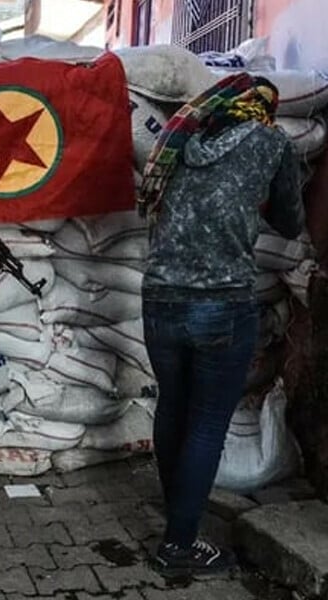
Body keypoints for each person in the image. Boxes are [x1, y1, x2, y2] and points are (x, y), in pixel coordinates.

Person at [138, 74, 305, 575]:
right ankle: (180, 546)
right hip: (221, 302)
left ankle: (178, 511)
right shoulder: (272, 141)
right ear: (263, 110)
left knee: (173, 405)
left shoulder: (181, 138)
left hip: (159, 298)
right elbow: (290, 221)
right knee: (208, 421)